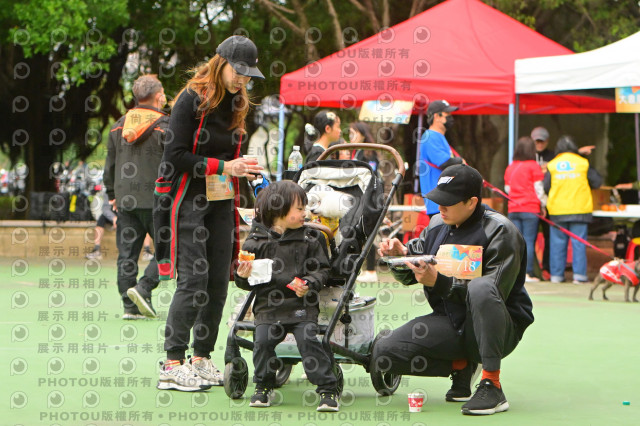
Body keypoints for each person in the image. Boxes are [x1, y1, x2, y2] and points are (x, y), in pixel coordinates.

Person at [374, 164, 534, 416]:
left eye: (448, 202)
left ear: (471, 203)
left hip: (499, 327)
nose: (441, 207)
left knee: (482, 286)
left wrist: (439, 282)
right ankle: (462, 365)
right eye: (439, 200)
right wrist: (398, 256)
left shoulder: (501, 231)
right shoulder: (437, 224)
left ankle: (492, 384)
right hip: (450, 321)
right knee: (383, 353)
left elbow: (494, 293)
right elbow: (412, 269)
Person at [154, 35, 264, 392]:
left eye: (248, 75)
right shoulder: (191, 98)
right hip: (186, 198)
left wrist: (244, 170)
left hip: (221, 200)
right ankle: (172, 363)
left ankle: (201, 357)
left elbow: (229, 158)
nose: (242, 79)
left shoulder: (237, 102)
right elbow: (174, 156)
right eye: (238, 71)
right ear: (221, 63)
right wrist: (225, 167)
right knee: (194, 280)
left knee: (218, 280)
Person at [235, 180, 339, 411]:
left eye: (305, 208)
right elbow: (246, 282)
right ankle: (263, 385)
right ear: (278, 210)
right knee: (262, 342)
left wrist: (309, 283)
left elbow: (322, 270)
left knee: (308, 341)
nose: (305, 213)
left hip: (302, 306)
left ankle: (328, 388)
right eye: (300, 209)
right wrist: (242, 275)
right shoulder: (255, 242)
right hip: (268, 308)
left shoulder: (311, 238)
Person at [104, 74, 168, 320]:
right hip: (158, 199)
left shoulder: (119, 126)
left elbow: (110, 165)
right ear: (159, 96)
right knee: (170, 248)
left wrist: (112, 194)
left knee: (127, 254)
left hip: (125, 200)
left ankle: (129, 306)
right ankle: (144, 287)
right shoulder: (166, 126)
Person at [544, 136, 602, 284]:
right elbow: (597, 182)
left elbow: (546, 187)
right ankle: (579, 276)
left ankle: (556, 276)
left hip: (557, 210)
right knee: (578, 244)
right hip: (579, 209)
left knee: (557, 244)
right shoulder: (582, 163)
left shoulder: (552, 165)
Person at [504, 136, 547, 282]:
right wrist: (543, 205)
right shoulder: (534, 166)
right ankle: (527, 273)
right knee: (528, 241)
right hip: (530, 208)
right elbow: (539, 189)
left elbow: (507, 189)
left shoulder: (511, 167)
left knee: (516, 242)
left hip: (513, 208)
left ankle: (515, 273)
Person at [348, 122, 380, 282]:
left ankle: (371, 270)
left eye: (353, 133)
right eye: (349, 133)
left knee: (370, 233)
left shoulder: (369, 153)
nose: (351, 136)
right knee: (360, 232)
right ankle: (364, 268)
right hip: (360, 197)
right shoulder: (356, 151)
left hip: (370, 198)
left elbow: (370, 176)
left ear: (362, 134)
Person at [86, 189, 117, 261]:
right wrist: (114, 218)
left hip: (127, 214)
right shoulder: (109, 190)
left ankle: (143, 251)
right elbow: (105, 209)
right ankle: (96, 250)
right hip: (114, 214)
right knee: (102, 218)